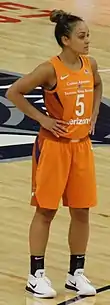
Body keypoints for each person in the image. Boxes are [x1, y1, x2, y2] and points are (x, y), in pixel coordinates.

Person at [6, 9, 102, 299]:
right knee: (46, 210)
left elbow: (97, 85)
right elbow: (14, 93)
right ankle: (35, 275)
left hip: (82, 147)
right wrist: (42, 119)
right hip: (53, 148)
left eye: (88, 36)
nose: (87, 41)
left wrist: (94, 114)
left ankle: (76, 274)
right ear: (65, 39)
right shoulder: (50, 69)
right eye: (82, 36)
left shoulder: (90, 65)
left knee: (81, 211)